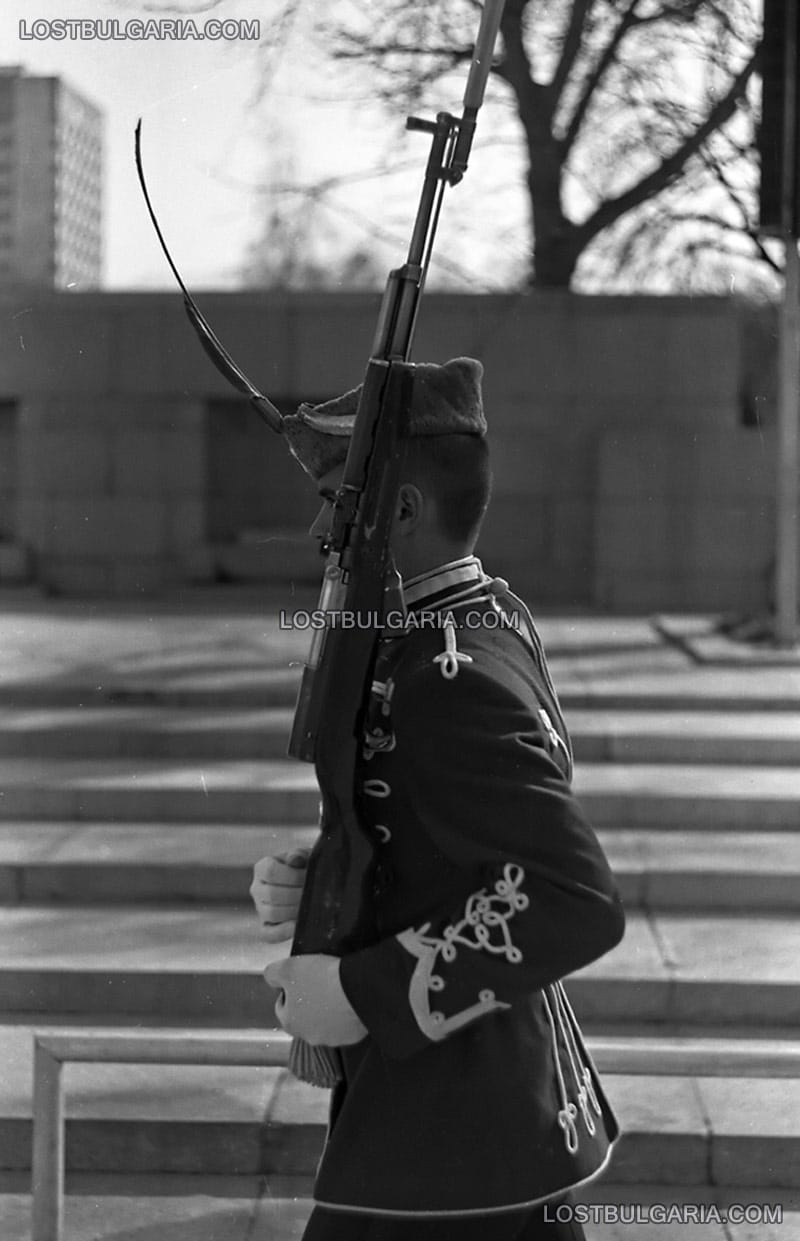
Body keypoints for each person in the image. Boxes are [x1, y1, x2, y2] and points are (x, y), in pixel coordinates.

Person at [250, 357, 626, 1240]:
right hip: (463, 1122)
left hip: (458, 1138)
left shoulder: (447, 674)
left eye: (340, 499)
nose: (318, 527)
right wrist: (332, 877)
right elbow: (457, 840)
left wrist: (366, 991)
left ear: (404, 511)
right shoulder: (475, 619)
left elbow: (576, 899)